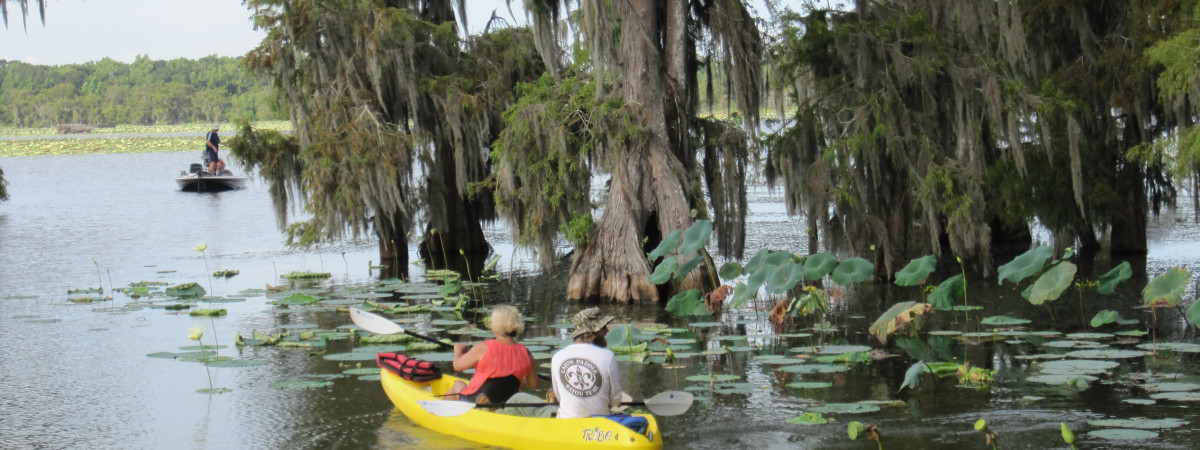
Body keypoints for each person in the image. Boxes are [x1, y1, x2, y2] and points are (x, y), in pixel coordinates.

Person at [447, 305, 538, 404]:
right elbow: (534, 385)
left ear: (495, 326)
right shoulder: (526, 353)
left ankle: (438, 415)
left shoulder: (483, 347)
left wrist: (458, 351)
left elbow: (457, 366)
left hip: (477, 400)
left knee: (458, 384)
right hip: (507, 402)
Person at [550, 307, 623, 419]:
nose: (607, 331)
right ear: (592, 332)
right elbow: (616, 401)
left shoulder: (557, 357)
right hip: (601, 424)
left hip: (567, 423)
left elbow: (559, 398)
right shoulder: (608, 356)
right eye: (603, 327)